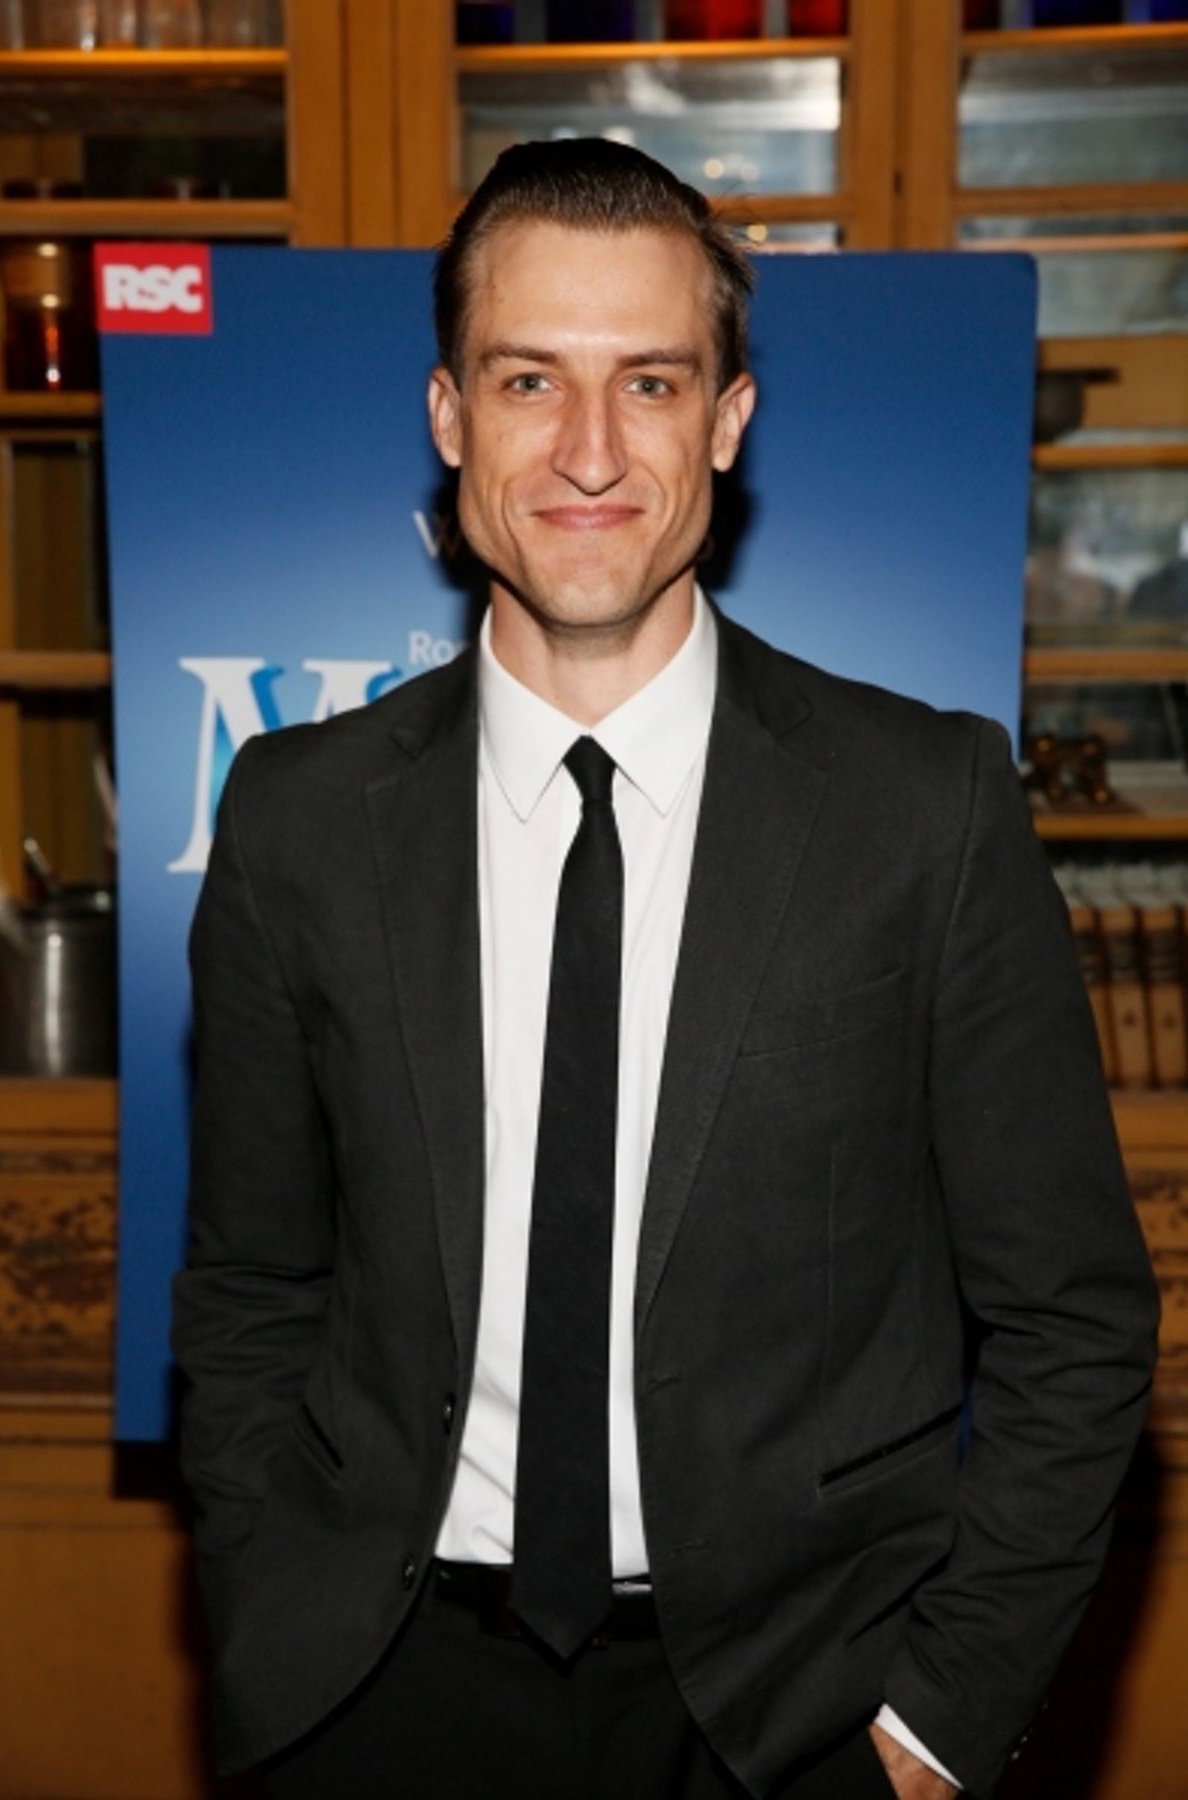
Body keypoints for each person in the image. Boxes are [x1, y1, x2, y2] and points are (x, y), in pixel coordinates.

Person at [172, 138, 1159, 1800]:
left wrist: (928, 1733)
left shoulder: (925, 810)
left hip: (798, 1718)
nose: (586, 450)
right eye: (527, 380)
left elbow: (1073, 1322)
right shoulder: (296, 818)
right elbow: (252, 1288)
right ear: (447, 420)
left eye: (649, 381)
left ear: (727, 420)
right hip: (381, 1700)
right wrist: (276, 1607)